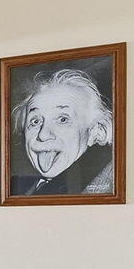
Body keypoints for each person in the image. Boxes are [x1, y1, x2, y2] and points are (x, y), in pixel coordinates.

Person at [10, 67, 115, 195]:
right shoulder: (20, 190)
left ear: (96, 131)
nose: (43, 135)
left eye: (63, 119)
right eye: (35, 121)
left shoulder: (108, 185)